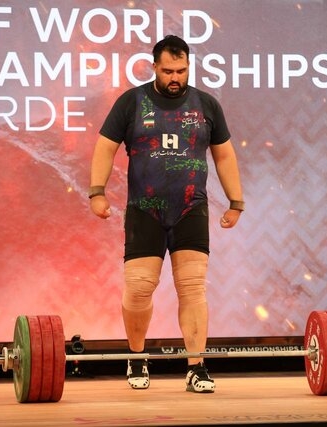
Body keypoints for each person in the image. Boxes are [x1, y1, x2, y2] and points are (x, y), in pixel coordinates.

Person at [88, 35, 244, 393]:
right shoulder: (131, 102)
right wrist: (97, 192)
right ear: (154, 67)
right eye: (169, 71)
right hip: (144, 209)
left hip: (191, 208)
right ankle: (137, 357)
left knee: (192, 288)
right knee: (139, 288)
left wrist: (236, 202)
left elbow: (224, 155)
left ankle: (196, 367)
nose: (176, 77)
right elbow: (104, 148)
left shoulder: (207, 105)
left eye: (182, 71)